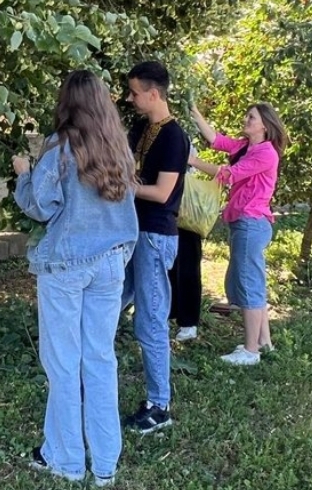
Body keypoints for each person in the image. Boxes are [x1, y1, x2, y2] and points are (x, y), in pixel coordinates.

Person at [12, 70, 139, 486]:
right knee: (100, 359)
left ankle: (65, 460)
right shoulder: (120, 147)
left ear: (66, 101)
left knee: (64, 363)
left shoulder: (61, 149)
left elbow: (40, 206)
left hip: (68, 266)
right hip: (110, 263)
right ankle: (104, 465)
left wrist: (23, 173)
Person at [189, 102, 289, 366]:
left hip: (251, 223)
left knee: (248, 284)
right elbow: (216, 140)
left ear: (265, 125)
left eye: (251, 117)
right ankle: (264, 342)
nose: (246, 120)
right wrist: (195, 114)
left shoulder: (266, 153)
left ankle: (250, 351)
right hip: (244, 223)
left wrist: (191, 160)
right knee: (249, 281)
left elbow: (228, 175)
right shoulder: (245, 147)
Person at [121, 61, 189, 433]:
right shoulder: (140, 128)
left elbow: (162, 193)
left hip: (155, 234)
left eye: (134, 92)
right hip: (133, 231)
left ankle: (159, 406)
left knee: (150, 320)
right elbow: (127, 165)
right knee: (111, 300)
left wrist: (124, 187)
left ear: (153, 93)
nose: (130, 99)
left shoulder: (174, 137)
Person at [168, 224, 202, 342]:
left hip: (187, 224)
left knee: (188, 267)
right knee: (168, 268)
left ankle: (188, 322)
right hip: (168, 219)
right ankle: (168, 314)